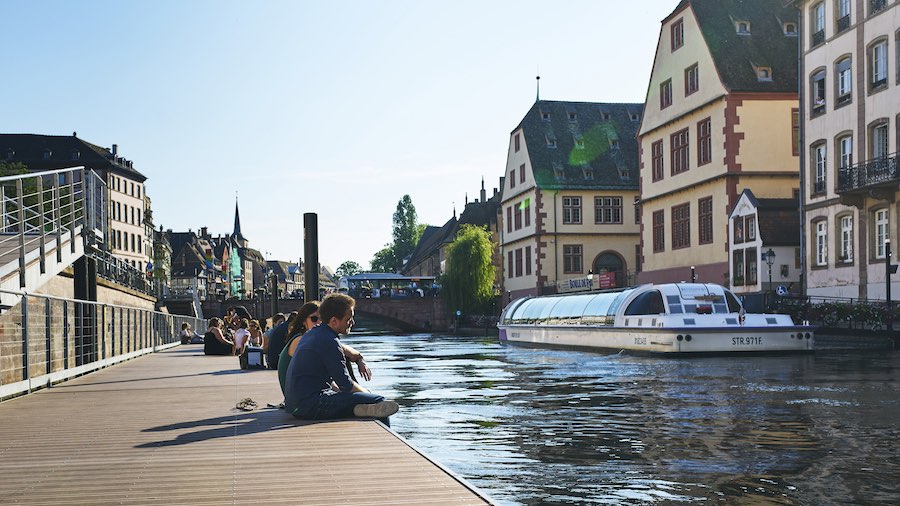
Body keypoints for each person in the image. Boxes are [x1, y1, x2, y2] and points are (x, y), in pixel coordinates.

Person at [284, 294, 397, 420]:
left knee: (361, 400)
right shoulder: (329, 340)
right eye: (349, 319)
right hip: (312, 406)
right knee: (380, 402)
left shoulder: (312, 334)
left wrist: (359, 360)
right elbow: (345, 385)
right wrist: (368, 395)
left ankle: (356, 408)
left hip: (295, 406)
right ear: (334, 321)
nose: (352, 322)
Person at [277, 303, 371, 395]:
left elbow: (341, 349)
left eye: (321, 319)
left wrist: (359, 359)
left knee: (340, 358)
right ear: (303, 321)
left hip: (300, 394)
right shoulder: (301, 340)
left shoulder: (309, 339)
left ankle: (356, 392)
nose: (319, 322)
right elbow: (342, 349)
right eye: (314, 319)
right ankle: (357, 393)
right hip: (299, 396)